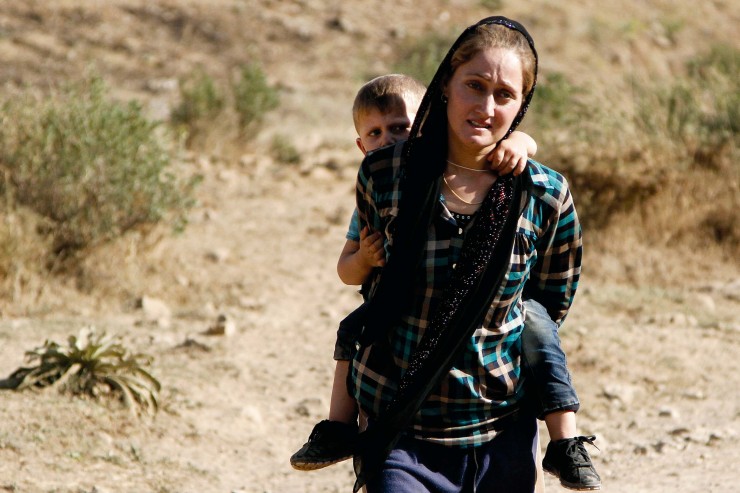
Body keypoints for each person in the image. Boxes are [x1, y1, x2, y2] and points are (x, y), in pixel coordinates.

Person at [345, 16, 599, 493]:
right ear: (446, 85)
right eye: (474, 86)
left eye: (505, 95)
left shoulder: (544, 193)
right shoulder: (384, 173)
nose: (486, 107)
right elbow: (369, 283)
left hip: (500, 438)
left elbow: (549, 301)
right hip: (398, 430)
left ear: (522, 104)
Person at [290, 73, 539, 473]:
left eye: (399, 127)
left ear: (426, 124)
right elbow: (346, 269)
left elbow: (507, 146)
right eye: (374, 133)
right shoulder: (377, 190)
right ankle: (338, 426)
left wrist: (521, 141)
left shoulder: (458, 176)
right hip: (396, 319)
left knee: (540, 338)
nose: (387, 140)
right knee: (351, 331)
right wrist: (364, 259)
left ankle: (562, 437)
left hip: (473, 327)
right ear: (360, 146)